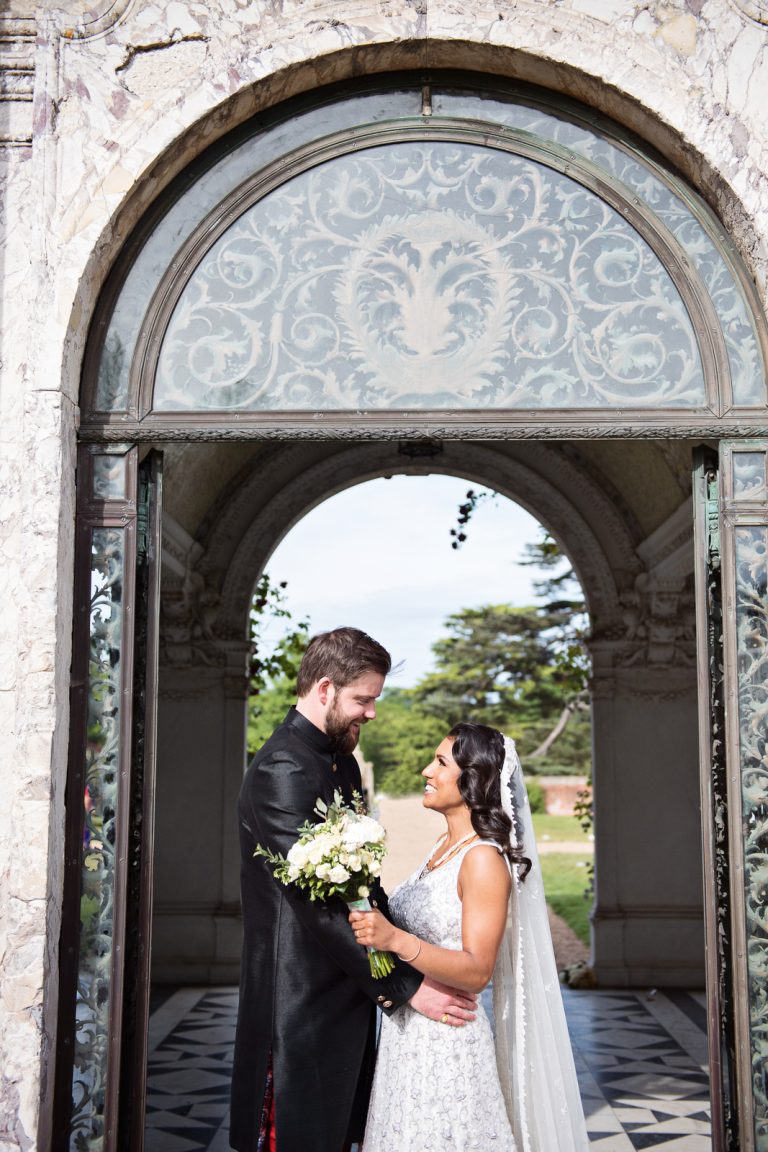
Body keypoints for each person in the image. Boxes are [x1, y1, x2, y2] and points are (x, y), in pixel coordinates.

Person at [230, 627, 478, 1152]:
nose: (371, 712)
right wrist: (410, 987)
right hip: (300, 1004)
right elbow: (319, 906)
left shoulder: (338, 759)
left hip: (345, 992)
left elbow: (362, 887)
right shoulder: (283, 768)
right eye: (363, 699)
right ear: (325, 689)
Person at [349, 722, 590, 1152]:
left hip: (448, 1044)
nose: (426, 770)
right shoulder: (443, 846)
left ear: (474, 778)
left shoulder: (481, 859)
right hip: (408, 1040)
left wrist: (396, 941)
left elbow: (478, 969)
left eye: (440, 762)